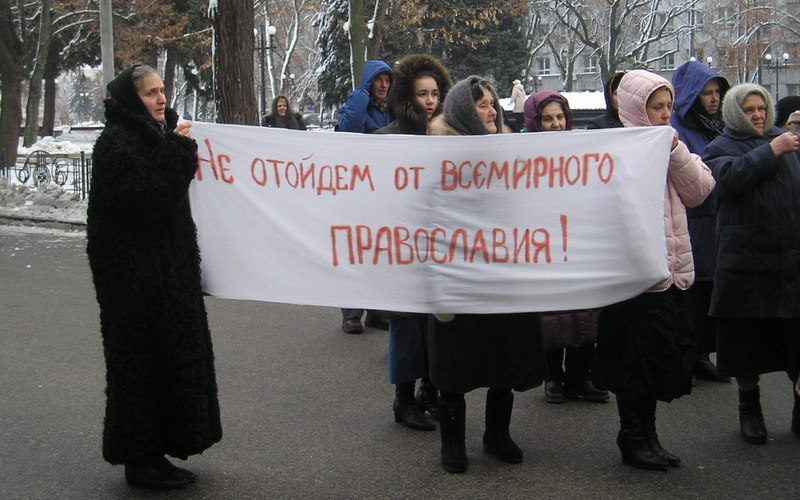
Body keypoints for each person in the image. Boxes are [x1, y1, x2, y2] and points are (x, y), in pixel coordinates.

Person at [87, 64, 222, 489]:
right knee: (141, 366)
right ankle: (140, 460)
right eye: (150, 93)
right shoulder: (117, 142)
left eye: (162, 90)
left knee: (168, 360)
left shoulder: (155, 135)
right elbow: (148, 200)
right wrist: (179, 153)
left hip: (163, 275)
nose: (161, 98)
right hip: (134, 281)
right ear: (132, 100)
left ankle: (158, 451)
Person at [592, 70, 715, 471]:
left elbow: (700, 191)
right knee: (633, 362)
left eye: (668, 106)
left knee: (658, 359)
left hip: (672, 272)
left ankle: (649, 435)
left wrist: (674, 149)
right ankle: (632, 437)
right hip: (635, 278)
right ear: (635, 108)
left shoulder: (671, 143)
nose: (665, 114)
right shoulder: (615, 148)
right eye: (656, 107)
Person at [426, 76, 546, 473]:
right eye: (481, 104)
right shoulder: (437, 160)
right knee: (455, 363)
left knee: (504, 356)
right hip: (457, 278)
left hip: (504, 275)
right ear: (464, 111)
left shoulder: (510, 155)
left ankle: (497, 435)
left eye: (493, 103)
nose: (492, 110)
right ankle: (452, 443)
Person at [703, 84, 800, 444]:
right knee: (747, 346)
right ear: (734, 114)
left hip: (790, 264)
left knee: (795, 344)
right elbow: (725, 182)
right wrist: (770, 151)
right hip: (747, 265)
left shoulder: (787, 142)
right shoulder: (721, 147)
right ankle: (750, 408)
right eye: (749, 110)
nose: (758, 115)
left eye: (761, 108)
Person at [375, 55, 453, 430]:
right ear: (408, 96)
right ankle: (403, 400)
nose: (430, 101)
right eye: (422, 94)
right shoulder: (386, 139)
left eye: (435, 93)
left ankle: (429, 392)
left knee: (440, 323)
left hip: (442, 248)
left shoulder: (452, 138)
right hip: (402, 250)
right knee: (406, 326)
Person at [523, 90, 608, 404]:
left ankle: (580, 376)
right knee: (551, 316)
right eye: (547, 118)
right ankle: (553, 378)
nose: (556, 124)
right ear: (535, 121)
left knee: (584, 313)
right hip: (543, 247)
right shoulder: (523, 156)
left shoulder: (581, 151)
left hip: (578, 244)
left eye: (560, 117)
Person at [670, 61, 731, 383]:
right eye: (706, 93)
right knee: (689, 294)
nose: (714, 98)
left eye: (717, 92)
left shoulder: (717, 125)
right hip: (692, 220)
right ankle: (685, 356)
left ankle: (702, 353)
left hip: (717, 220)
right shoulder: (679, 127)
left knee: (710, 291)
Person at [335, 59, 394, 334]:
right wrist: (360, 98)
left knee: (380, 252)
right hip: (358, 190)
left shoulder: (392, 110)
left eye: (387, 80)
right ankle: (352, 313)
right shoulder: (357, 104)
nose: (383, 85)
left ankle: (377, 311)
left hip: (385, 192)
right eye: (378, 79)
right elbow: (347, 131)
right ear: (369, 82)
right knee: (355, 251)